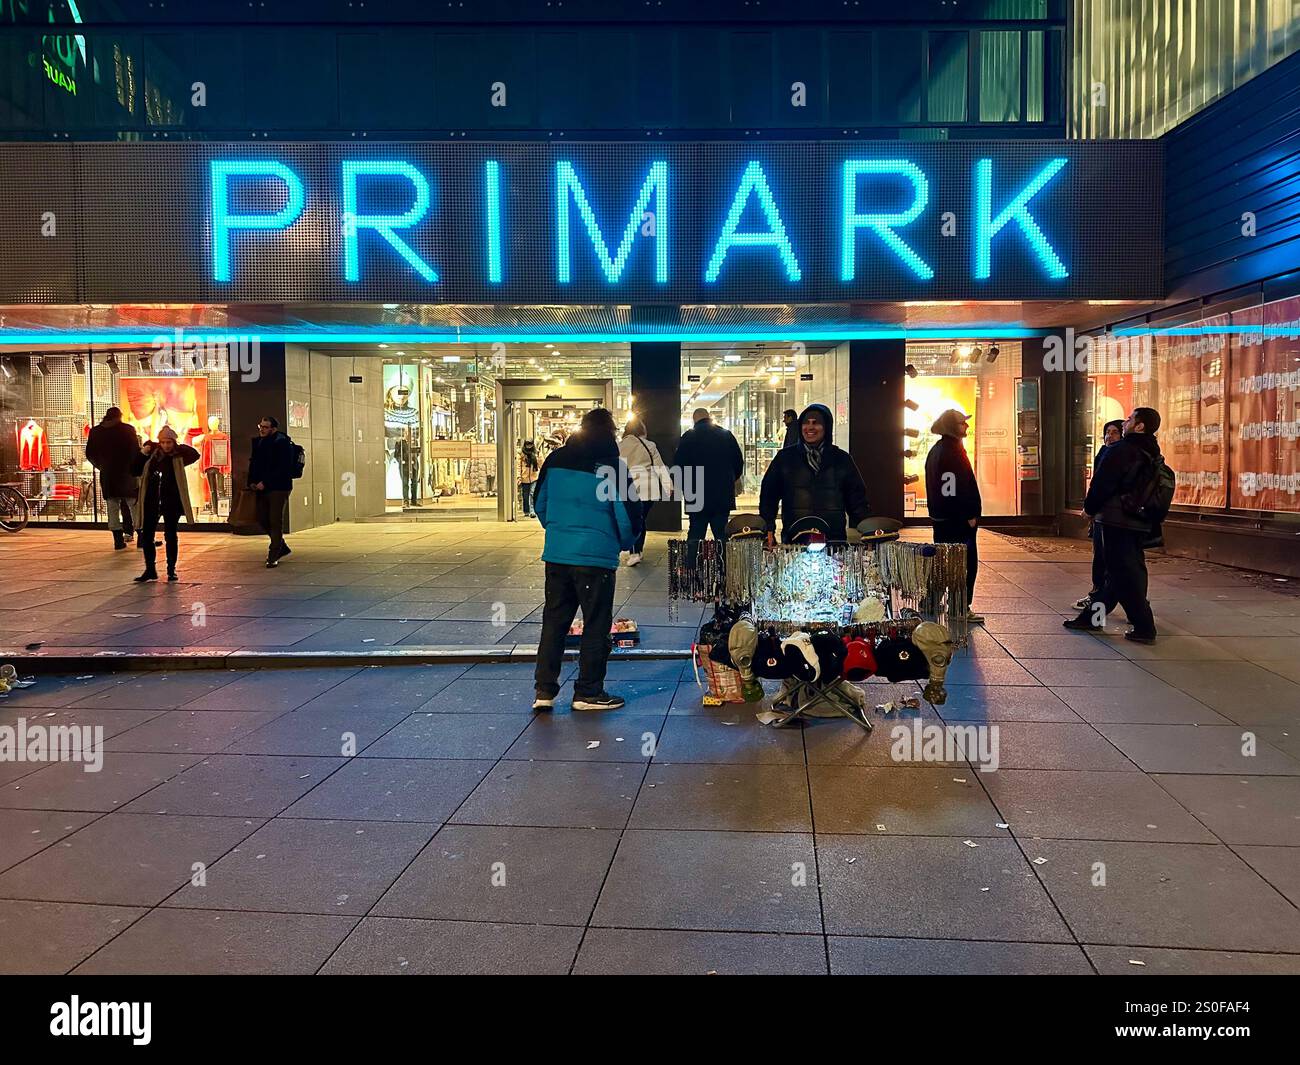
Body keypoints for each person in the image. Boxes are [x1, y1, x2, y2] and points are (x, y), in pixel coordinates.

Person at [532, 407, 641, 712]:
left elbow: (539, 502)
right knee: (595, 624)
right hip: (596, 559)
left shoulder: (555, 460)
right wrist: (621, 544)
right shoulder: (612, 467)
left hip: (557, 555)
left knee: (554, 621)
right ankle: (588, 692)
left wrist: (558, 530)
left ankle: (544, 690)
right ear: (611, 433)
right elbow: (627, 517)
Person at [1064, 406, 1163, 644]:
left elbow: (1103, 483)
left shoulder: (1122, 450)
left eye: (1130, 419)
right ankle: (1092, 618)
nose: (1125, 422)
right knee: (1124, 571)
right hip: (1138, 521)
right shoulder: (1151, 451)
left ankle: (1144, 626)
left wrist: (1089, 508)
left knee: (1121, 573)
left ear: (1139, 426)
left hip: (1117, 520)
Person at [760, 403, 869, 544]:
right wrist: (768, 528)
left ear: (826, 427)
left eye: (816, 423)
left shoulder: (841, 459)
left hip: (833, 539)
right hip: (795, 538)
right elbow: (769, 495)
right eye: (806, 423)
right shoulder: (785, 458)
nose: (810, 427)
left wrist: (869, 529)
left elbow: (857, 500)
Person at [925, 409, 984, 625]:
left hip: (942, 519)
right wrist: (968, 514)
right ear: (952, 426)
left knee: (942, 561)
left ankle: (931, 601)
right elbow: (954, 488)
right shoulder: (952, 452)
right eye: (962, 423)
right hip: (957, 521)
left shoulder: (937, 450)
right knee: (964, 564)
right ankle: (960, 607)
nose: (966, 426)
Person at [130, 426, 198, 582]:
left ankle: (171, 569)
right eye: (163, 442)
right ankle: (150, 569)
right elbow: (134, 469)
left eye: (169, 442)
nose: (166, 445)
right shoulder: (152, 457)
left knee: (171, 535)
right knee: (147, 536)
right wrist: (143, 452)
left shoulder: (178, 457)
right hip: (151, 500)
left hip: (171, 501)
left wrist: (178, 446)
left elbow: (194, 454)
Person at [1074, 419, 1126, 610]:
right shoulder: (1105, 452)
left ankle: (1100, 600)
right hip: (1106, 514)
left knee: (1109, 559)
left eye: (1114, 432)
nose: (1109, 436)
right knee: (1105, 558)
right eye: (1107, 432)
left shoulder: (1117, 454)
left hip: (1112, 515)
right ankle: (1102, 595)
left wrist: (1089, 509)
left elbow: (1101, 486)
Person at [672, 407, 743, 543]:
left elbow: (678, 466)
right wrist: (731, 480)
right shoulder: (726, 435)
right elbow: (738, 462)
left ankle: (692, 563)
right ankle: (723, 563)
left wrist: (686, 488)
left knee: (695, 535)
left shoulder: (688, 437)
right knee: (722, 535)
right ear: (709, 417)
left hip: (696, 494)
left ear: (694, 420)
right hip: (722, 493)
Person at [617, 416, 672, 566]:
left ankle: (635, 552)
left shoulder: (620, 446)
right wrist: (668, 486)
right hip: (649, 490)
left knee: (633, 519)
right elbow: (660, 467)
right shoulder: (650, 445)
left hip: (629, 489)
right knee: (641, 519)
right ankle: (637, 551)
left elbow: (618, 470)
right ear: (642, 430)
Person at [85, 406, 140, 551]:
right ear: (120, 416)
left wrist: (102, 466)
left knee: (112, 507)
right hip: (127, 474)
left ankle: (117, 539)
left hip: (108, 474)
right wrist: (135, 469)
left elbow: (90, 454)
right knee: (134, 505)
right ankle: (142, 537)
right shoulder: (128, 430)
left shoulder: (96, 432)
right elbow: (135, 451)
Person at [249, 415, 297, 568]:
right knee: (262, 518)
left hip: (279, 487)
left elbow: (283, 468)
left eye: (265, 427)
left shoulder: (282, 443)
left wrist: (266, 482)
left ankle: (273, 554)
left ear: (273, 429)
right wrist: (251, 482)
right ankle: (281, 545)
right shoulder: (258, 442)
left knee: (275, 521)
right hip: (261, 487)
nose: (262, 430)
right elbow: (254, 464)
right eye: (260, 426)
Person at [518, 440, 540, 518]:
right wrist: (519, 477)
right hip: (524, 478)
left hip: (534, 477)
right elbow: (519, 466)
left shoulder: (536, 453)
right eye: (527, 444)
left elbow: (541, 464)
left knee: (532, 493)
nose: (529, 446)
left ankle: (532, 510)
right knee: (525, 495)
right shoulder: (522, 454)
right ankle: (526, 511)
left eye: (530, 444)